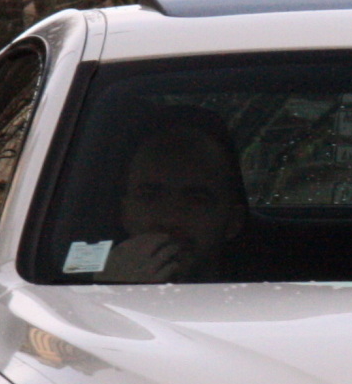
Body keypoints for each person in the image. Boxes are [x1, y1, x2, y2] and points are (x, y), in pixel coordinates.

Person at [98, 110, 247, 283]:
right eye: (149, 197)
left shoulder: (264, 304)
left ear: (232, 222)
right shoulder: (73, 297)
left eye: (195, 200)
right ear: (124, 213)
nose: (170, 220)